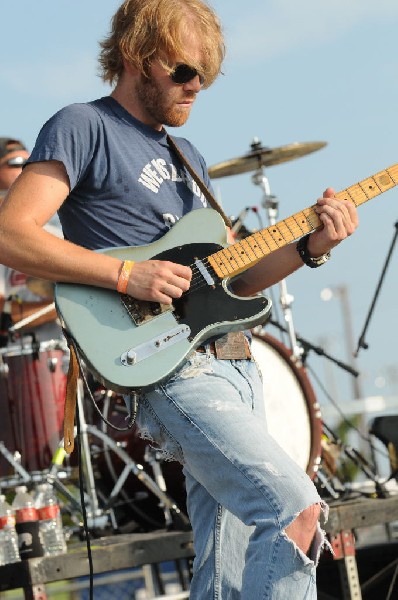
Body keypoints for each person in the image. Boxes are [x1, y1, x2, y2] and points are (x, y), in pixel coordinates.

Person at [0, 1, 359, 597]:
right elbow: (12, 234)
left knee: (225, 571)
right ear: (139, 57)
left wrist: (313, 246)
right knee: (298, 512)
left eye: (207, 77)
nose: (197, 87)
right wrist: (125, 276)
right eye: (185, 72)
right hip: (172, 365)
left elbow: (237, 280)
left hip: (236, 362)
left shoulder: (187, 159)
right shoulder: (82, 125)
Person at [0, 137, 61, 344]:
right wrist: (66, 307)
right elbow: (3, 316)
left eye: (31, 161)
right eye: (16, 162)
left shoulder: (59, 234)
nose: (27, 168)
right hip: (15, 360)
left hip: (67, 355)